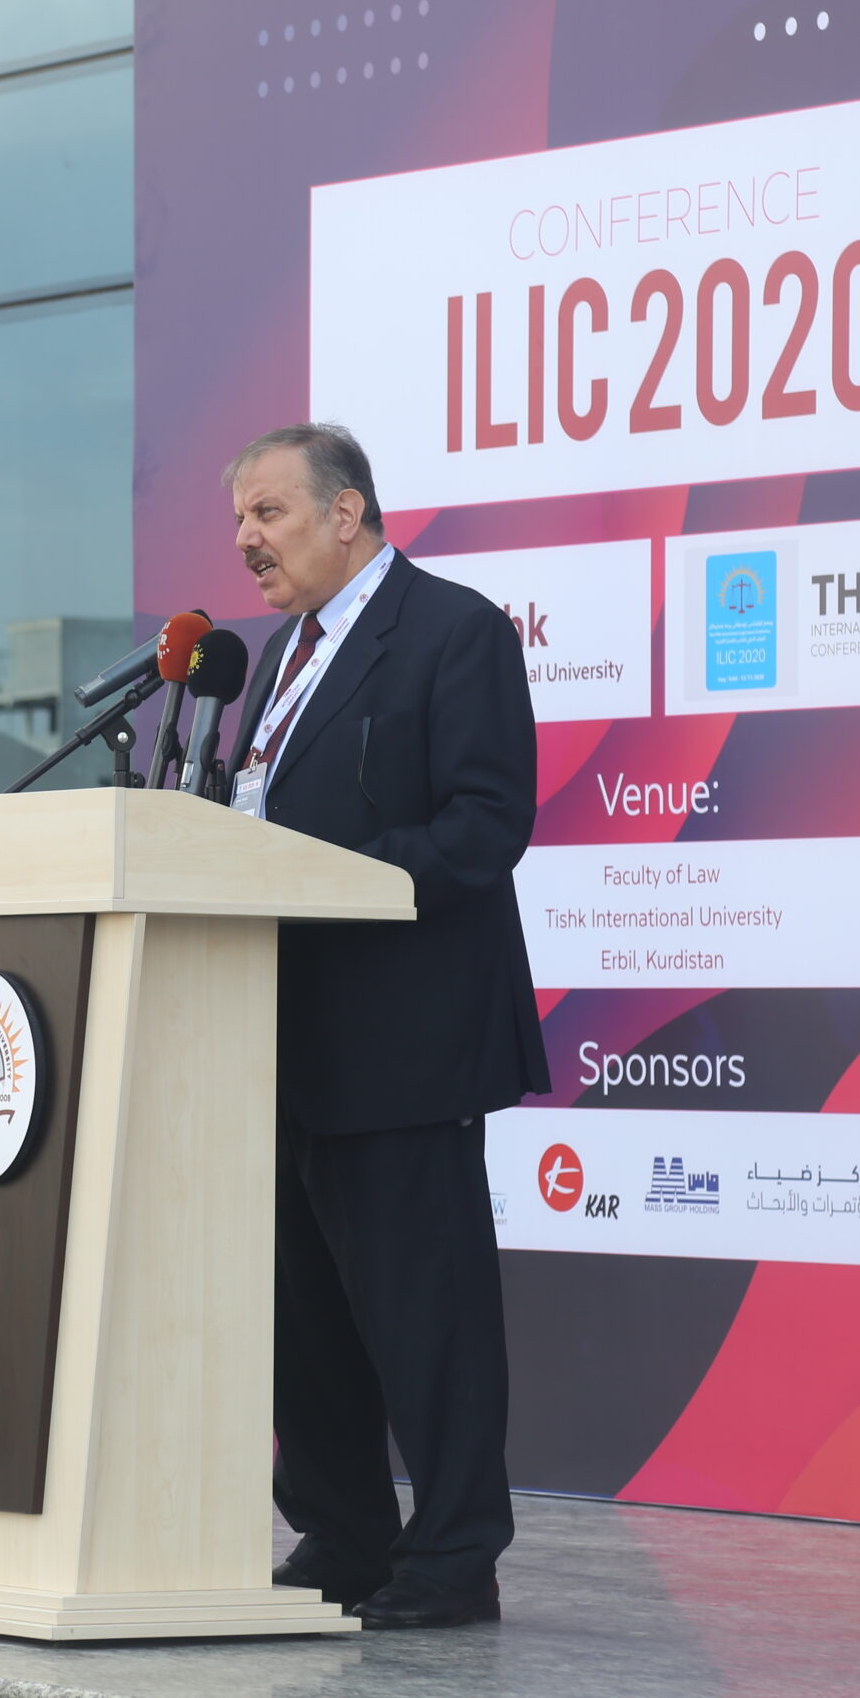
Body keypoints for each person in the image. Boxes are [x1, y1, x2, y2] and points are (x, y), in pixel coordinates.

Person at [220, 424, 547, 1629]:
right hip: (277, 1038)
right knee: (304, 1321)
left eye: (268, 513)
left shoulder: (453, 632)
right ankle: (344, 1534)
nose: (247, 541)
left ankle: (453, 1556)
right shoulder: (277, 658)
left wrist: (336, 878)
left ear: (346, 512)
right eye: (241, 520)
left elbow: (486, 822)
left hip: (403, 1045)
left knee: (426, 1317)